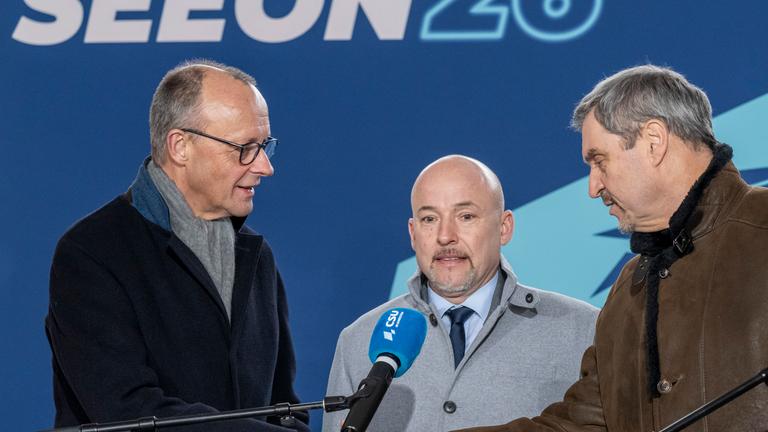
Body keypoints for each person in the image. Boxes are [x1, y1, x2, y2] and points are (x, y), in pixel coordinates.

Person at [457, 65, 768, 432]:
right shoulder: (628, 288)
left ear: (654, 141)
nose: (593, 187)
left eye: (599, 161)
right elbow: (581, 424)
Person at [45, 60, 308, 431]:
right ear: (181, 146)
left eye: (264, 146)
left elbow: (284, 406)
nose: (265, 166)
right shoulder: (91, 253)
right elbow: (128, 413)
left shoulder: (257, 256)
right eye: (245, 148)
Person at [323, 155, 599, 431]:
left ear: (504, 228)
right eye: (429, 219)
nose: (445, 236)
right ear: (413, 233)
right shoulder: (358, 341)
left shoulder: (582, 329)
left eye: (466, 216)